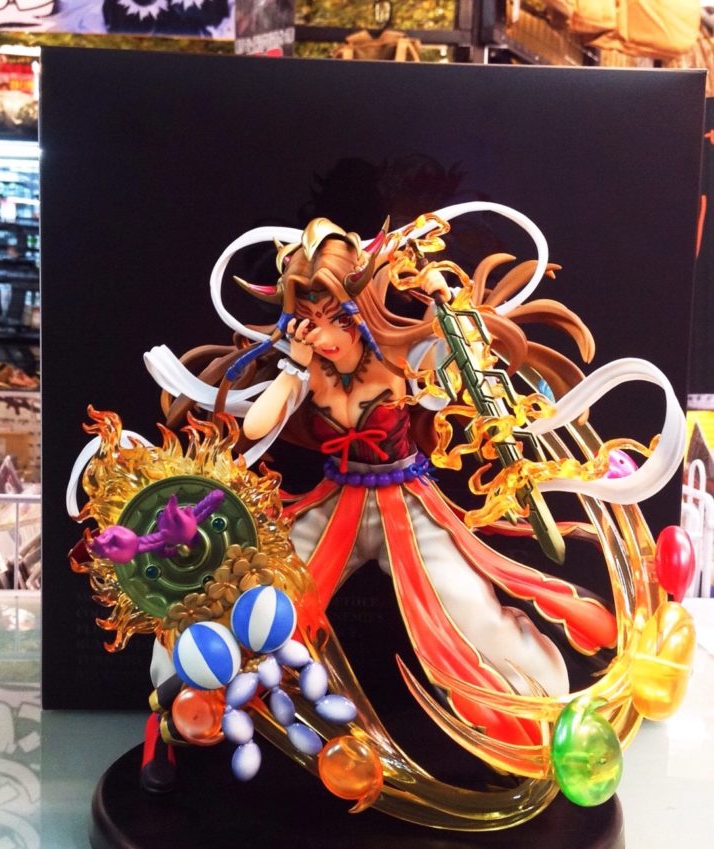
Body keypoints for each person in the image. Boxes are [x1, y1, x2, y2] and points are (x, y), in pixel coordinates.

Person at [146, 207, 621, 746]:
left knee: (466, 607)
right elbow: (256, 426)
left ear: (362, 310)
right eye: (310, 319)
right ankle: (197, 692)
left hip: (409, 501)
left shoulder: (402, 361)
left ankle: (537, 708)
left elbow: (470, 357)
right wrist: (294, 364)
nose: (326, 335)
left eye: (338, 318)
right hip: (336, 501)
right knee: (262, 596)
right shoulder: (308, 370)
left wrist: (446, 300)